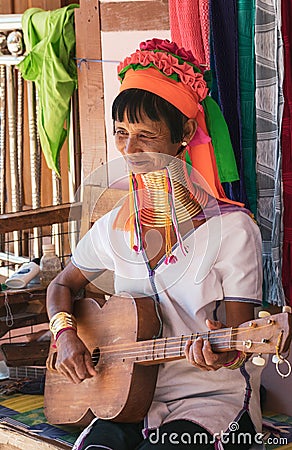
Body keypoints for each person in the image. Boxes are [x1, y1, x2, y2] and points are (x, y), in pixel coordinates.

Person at [46, 39, 264, 450]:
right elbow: (61, 286)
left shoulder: (233, 230)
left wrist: (222, 353)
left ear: (184, 132)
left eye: (146, 134)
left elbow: (239, 339)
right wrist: (66, 335)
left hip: (210, 402)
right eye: (122, 133)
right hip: (127, 400)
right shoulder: (116, 226)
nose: (130, 149)